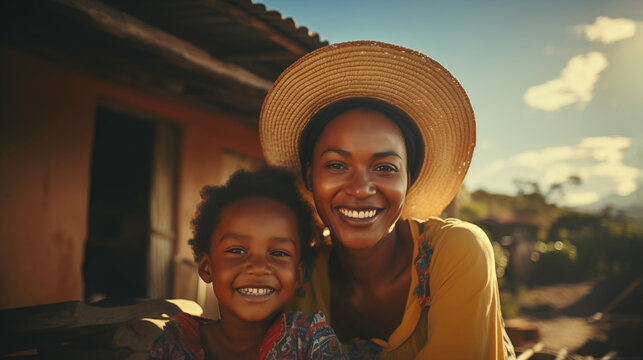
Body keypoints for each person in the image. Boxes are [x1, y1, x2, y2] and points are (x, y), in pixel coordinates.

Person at [260, 41, 516, 359]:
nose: (360, 188)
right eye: (337, 165)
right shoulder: (299, 280)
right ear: (311, 176)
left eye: (385, 168)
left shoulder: (456, 250)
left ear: (410, 180)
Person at [149, 167, 348, 360]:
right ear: (206, 267)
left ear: (299, 274)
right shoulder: (175, 343)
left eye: (279, 253)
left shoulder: (310, 340)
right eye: (237, 251)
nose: (258, 267)